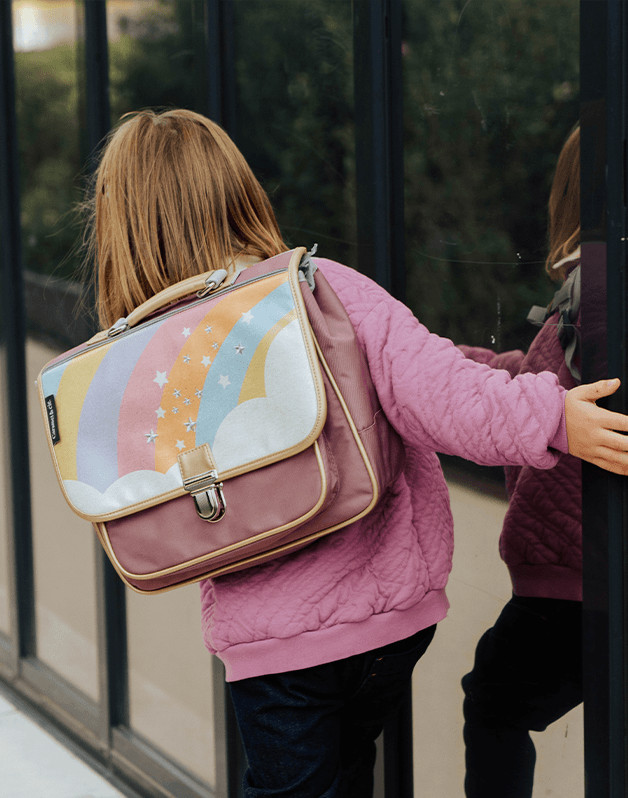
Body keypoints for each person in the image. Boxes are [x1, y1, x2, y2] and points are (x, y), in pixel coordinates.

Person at [87, 110, 627, 798]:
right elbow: (440, 392)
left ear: (118, 230)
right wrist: (551, 415)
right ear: (240, 191)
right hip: (383, 630)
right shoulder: (320, 291)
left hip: (273, 652)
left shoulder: (131, 367)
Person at [459, 125, 585, 798]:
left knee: (494, 703)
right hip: (581, 572)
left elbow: (554, 405)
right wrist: (456, 369)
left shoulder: (596, 294)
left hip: (572, 581)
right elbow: (540, 385)